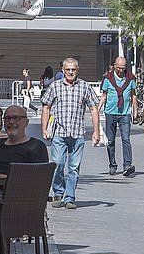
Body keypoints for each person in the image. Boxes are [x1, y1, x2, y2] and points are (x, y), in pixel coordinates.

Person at [0, 105, 49, 226]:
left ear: (26, 122)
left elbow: (38, 184)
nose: (11, 122)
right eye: (7, 119)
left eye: (16, 118)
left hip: (14, 202)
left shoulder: (35, 147)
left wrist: (0, 177)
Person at [40, 57, 101, 209]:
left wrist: (96, 132)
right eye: (68, 69)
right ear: (63, 70)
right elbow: (46, 107)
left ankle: (69, 197)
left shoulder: (85, 87)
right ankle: (58, 192)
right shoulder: (55, 86)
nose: (71, 72)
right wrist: (44, 128)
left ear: (77, 70)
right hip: (59, 132)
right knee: (58, 164)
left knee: (73, 167)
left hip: (77, 133)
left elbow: (94, 108)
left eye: (73, 69)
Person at [100, 57, 137, 177]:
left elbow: (133, 95)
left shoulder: (130, 78)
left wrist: (135, 110)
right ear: (114, 66)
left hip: (125, 113)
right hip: (110, 112)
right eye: (118, 68)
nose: (120, 70)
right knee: (110, 141)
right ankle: (112, 165)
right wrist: (97, 109)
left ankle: (127, 165)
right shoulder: (108, 79)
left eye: (123, 68)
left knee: (126, 139)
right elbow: (104, 96)